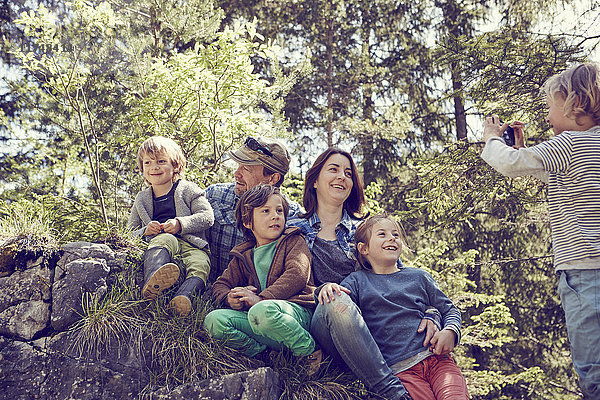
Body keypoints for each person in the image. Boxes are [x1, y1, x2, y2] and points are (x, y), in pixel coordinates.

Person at [480, 62, 600, 398]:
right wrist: (524, 149)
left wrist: (492, 139)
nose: (547, 117)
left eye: (550, 107)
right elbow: (564, 178)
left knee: (593, 371)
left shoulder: (569, 144)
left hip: (583, 274)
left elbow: (509, 165)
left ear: (574, 104)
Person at [288, 148, 439, 400]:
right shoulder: (294, 228)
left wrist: (432, 313)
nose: (342, 177)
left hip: (372, 330)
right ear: (314, 180)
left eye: (348, 173)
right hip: (323, 323)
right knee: (336, 299)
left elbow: (398, 278)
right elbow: (279, 276)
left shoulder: (365, 231)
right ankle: (390, 392)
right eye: (333, 170)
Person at [342, 214, 467, 400]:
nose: (392, 238)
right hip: (402, 373)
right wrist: (326, 288)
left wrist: (450, 331)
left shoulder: (419, 277)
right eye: (382, 234)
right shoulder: (358, 281)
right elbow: (337, 297)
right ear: (364, 248)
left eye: (395, 234)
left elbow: (449, 309)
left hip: (439, 361)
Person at [204, 184, 321, 374]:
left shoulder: (293, 241)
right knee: (213, 321)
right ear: (248, 222)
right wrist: (230, 298)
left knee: (262, 311)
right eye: (265, 211)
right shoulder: (244, 255)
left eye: (279, 211)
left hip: (294, 315)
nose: (275, 216)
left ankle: (309, 352)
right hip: (261, 321)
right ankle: (263, 355)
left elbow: (298, 274)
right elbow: (221, 284)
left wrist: (262, 298)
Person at [128, 136, 214, 316]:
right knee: (165, 239)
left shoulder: (188, 189)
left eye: (161, 161)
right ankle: (152, 281)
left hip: (192, 244)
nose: (154, 167)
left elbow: (207, 217)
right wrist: (145, 231)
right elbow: (129, 232)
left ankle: (183, 298)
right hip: (162, 241)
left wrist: (180, 224)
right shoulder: (142, 199)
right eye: (148, 163)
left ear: (175, 165)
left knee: (201, 263)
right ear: (142, 169)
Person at [205, 137, 301, 281]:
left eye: (246, 169)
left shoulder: (294, 218)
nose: (236, 174)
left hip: (262, 299)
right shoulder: (214, 196)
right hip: (211, 293)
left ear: (273, 178)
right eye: (238, 166)